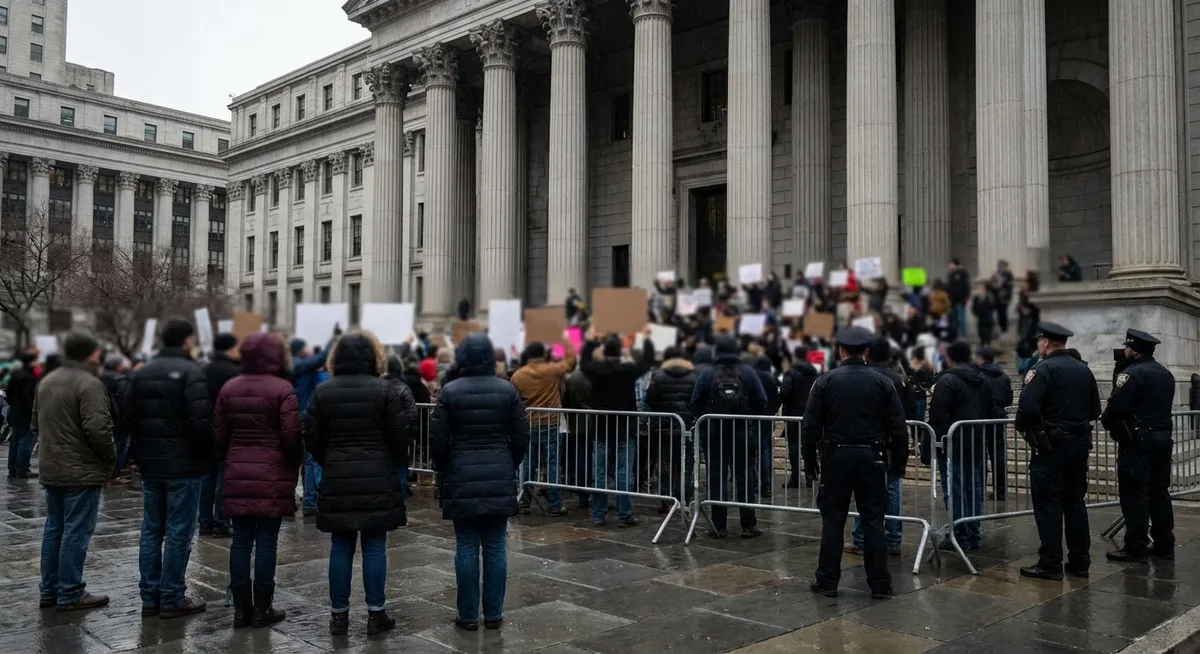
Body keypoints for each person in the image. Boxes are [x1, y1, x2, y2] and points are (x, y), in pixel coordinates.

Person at [303, 330, 410, 636]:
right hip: (377, 473)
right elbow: (399, 435)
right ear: (372, 357)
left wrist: (330, 460)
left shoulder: (324, 391)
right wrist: (391, 462)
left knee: (341, 546)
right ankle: (376, 613)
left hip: (338, 474)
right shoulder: (385, 390)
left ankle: (339, 615)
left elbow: (311, 436)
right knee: (375, 546)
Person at [430, 333, 529, 631]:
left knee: (466, 546)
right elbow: (522, 436)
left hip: (461, 474)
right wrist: (508, 462)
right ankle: (495, 614)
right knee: (496, 546)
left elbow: (437, 441)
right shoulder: (507, 390)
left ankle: (469, 615)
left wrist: (445, 467)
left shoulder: (449, 391)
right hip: (498, 471)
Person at [802, 327, 907, 599]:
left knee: (833, 521)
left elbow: (810, 426)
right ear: (867, 352)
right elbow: (898, 426)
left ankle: (827, 580)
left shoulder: (825, 381)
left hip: (836, 457)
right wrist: (900, 462)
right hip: (872, 457)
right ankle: (880, 583)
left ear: (840, 350)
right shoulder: (882, 382)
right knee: (873, 520)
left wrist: (809, 461)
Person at [212, 332, 302, 629]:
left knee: (240, 541)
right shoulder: (282, 388)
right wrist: (292, 462)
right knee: (266, 542)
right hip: (272, 472)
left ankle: (241, 610)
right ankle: (263, 608)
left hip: (238, 470)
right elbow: (291, 436)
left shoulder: (229, 387)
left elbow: (219, 435)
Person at [125, 318, 212, 618]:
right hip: (184, 466)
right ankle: (172, 595)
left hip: (151, 464)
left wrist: (139, 452)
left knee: (151, 530)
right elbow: (200, 423)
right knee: (178, 532)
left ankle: (150, 595)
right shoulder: (192, 372)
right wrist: (203, 454)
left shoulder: (141, 373)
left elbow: (127, 418)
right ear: (187, 340)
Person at [1014, 322, 1101, 580]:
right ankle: (1080, 561)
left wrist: (1033, 431)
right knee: (1075, 503)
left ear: (1045, 342)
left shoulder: (1043, 369)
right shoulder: (1084, 370)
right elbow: (1095, 410)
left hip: (1051, 447)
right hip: (1078, 444)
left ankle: (1051, 562)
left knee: (1048, 504)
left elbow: (1027, 408)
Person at [36, 332, 114, 611]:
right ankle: (70, 590)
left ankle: (50, 589)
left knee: (54, 528)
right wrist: (109, 459)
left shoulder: (47, 381)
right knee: (76, 530)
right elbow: (99, 429)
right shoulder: (89, 384)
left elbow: (37, 423)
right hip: (80, 469)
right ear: (90, 353)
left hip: (52, 465)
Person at [1102, 329, 1176, 563]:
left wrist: (1108, 422)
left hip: (1139, 441)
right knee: (1159, 493)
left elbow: (1115, 409)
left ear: (1134, 350)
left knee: (1135, 495)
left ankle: (1136, 545)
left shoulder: (1132, 374)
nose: (1124, 351)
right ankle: (1164, 544)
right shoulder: (1165, 373)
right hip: (1162, 438)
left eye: (1126, 347)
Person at [691, 334, 768, 539]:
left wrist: (705, 418)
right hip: (741, 431)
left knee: (716, 477)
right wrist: (748, 417)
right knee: (744, 476)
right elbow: (762, 400)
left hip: (714, 432)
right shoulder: (748, 372)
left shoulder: (708, 373)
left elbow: (695, 399)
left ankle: (718, 525)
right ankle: (748, 524)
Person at [580, 333, 654, 527]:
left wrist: (592, 340)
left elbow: (584, 362)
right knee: (624, 472)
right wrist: (646, 339)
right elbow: (647, 362)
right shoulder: (627, 369)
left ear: (604, 351)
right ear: (620, 351)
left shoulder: (597, 370)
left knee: (600, 472)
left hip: (601, 428)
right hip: (624, 427)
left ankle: (598, 514)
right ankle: (625, 513)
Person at [848, 338, 913, 557]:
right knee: (892, 490)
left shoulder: (864, 377)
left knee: (863, 491)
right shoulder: (899, 379)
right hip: (893, 441)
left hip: (869, 440)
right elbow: (910, 410)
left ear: (868, 353)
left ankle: (860, 538)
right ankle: (893, 538)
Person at [928, 341, 994, 552]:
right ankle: (972, 532)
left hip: (953, 442)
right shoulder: (982, 380)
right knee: (972, 486)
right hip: (975, 440)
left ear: (950, 358)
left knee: (954, 487)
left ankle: (959, 534)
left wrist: (934, 442)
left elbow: (937, 414)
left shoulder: (947, 380)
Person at [510, 340, 576, 515]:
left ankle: (524, 501)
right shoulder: (552, 370)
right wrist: (564, 341)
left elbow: (514, 400)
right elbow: (571, 361)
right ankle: (554, 504)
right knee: (553, 465)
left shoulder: (518, 375)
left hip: (529, 423)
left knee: (527, 464)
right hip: (551, 423)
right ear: (543, 354)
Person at [645, 345, 699, 507]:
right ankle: (684, 497)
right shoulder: (693, 376)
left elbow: (650, 399)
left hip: (664, 426)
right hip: (687, 426)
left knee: (664, 463)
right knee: (686, 463)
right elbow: (697, 400)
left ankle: (666, 499)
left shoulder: (658, 376)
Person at [200, 333, 240, 538]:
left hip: (204, 430)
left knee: (207, 478)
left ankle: (204, 522)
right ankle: (222, 521)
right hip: (226, 431)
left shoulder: (202, 370)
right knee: (224, 479)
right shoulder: (234, 372)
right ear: (230, 348)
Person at [292, 331, 337, 517]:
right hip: (306, 416)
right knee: (311, 461)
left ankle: (306, 500)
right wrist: (332, 339)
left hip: (298, 415)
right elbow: (321, 358)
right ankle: (311, 500)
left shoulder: (299, 366)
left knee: (302, 462)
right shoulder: (299, 365)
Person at [975, 346, 1014, 500]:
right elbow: (1009, 399)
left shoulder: (979, 376)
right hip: (999, 417)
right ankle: (1001, 491)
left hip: (982, 418)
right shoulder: (1003, 376)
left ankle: (980, 490)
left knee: (980, 455)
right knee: (998, 454)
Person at [382, 353, 420, 502]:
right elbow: (412, 414)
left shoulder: (378, 387)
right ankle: (399, 499)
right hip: (401, 437)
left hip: (382, 436)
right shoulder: (404, 388)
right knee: (400, 468)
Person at [780, 348, 819, 489]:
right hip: (809, 414)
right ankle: (810, 474)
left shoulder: (791, 373)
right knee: (808, 445)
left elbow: (784, 393)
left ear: (794, 355)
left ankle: (795, 478)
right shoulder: (813, 373)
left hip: (793, 414)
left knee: (794, 446)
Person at [7, 347, 40, 479]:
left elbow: (9, 394)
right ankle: (22, 469)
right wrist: (33, 411)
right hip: (25, 414)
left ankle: (13, 469)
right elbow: (28, 397)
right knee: (25, 440)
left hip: (14, 412)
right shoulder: (29, 378)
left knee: (14, 441)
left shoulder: (15, 374)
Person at [99, 354, 131, 484]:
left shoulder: (101, 377)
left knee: (112, 444)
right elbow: (125, 399)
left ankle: (111, 472)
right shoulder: (118, 379)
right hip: (119, 417)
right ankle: (114, 474)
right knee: (120, 443)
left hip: (107, 415)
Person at [754, 356, 781, 498]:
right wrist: (772, 412)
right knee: (765, 450)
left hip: (754, 418)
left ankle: (755, 483)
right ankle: (766, 484)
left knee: (754, 451)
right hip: (767, 418)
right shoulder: (772, 379)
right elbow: (778, 398)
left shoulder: (754, 377)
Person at [946, 259, 971, 340]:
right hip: (952, 300)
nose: (949, 266)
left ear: (955, 264)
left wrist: (967, 296)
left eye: (951, 264)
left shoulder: (962, 273)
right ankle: (955, 334)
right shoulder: (950, 274)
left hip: (960, 299)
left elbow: (966, 285)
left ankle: (962, 334)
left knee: (961, 318)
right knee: (954, 319)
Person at [990, 260, 1014, 334]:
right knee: (998, 313)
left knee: (1003, 312)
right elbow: (991, 284)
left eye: (1002, 266)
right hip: (996, 296)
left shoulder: (1008, 274)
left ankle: (1004, 327)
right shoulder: (995, 274)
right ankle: (1000, 327)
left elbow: (1010, 285)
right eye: (999, 265)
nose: (1000, 267)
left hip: (1004, 296)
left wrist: (1003, 282)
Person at [970, 283, 995, 347]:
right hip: (980, 320)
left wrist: (983, 300)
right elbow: (974, 309)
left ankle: (987, 348)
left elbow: (991, 307)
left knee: (987, 336)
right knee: (981, 336)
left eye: (981, 288)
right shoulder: (976, 298)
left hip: (988, 320)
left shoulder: (989, 297)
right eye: (978, 288)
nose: (980, 290)